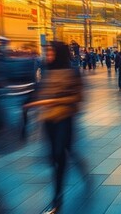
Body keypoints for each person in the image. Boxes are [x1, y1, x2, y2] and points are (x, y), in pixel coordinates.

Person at [25, 41, 89, 214]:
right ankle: (80, 165)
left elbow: (78, 97)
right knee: (63, 151)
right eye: (48, 52)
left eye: (52, 52)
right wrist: (32, 102)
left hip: (64, 119)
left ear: (60, 54)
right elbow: (40, 93)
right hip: (48, 120)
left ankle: (56, 199)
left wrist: (54, 101)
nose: (49, 56)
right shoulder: (45, 72)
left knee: (58, 156)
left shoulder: (72, 73)